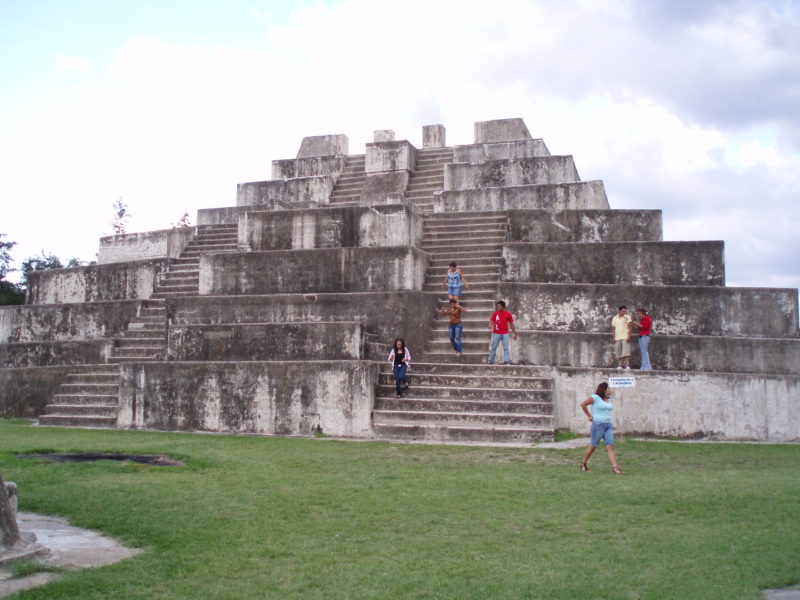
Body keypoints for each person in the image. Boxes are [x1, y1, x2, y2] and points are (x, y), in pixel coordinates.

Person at [579, 382, 624, 474]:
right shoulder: (595, 397)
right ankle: (583, 463)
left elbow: (606, 413)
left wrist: (612, 425)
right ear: (604, 389)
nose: (610, 390)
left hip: (608, 426)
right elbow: (583, 404)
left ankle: (615, 469)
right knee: (593, 446)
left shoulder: (608, 400)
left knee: (610, 446)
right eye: (609, 388)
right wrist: (589, 416)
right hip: (598, 425)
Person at [487, 300, 517, 365]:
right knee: (494, 347)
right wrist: (490, 325)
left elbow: (511, 324)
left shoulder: (508, 314)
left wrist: (514, 333)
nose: (498, 307)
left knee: (506, 348)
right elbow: (492, 321)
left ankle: (506, 361)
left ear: (503, 307)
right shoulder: (495, 313)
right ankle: (491, 361)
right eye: (497, 306)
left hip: (505, 333)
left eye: (500, 306)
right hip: (496, 333)